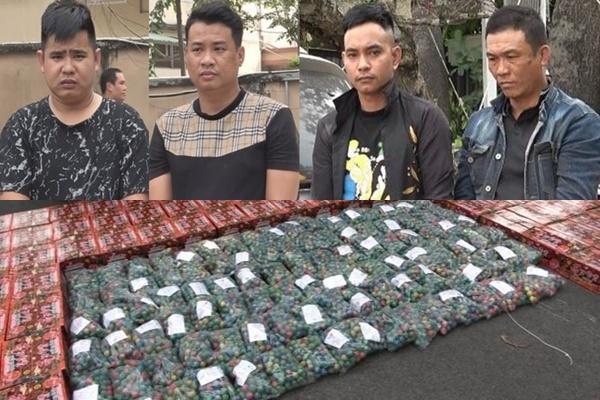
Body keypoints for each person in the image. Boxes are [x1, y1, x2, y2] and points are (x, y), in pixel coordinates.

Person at [149, 1, 299, 200]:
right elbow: (160, 211)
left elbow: (280, 209)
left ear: (240, 55)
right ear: (186, 56)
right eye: (197, 49)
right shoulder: (167, 127)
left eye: (218, 49)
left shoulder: (272, 118)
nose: (207, 60)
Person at [0, 0, 148, 200]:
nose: (68, 68)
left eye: (78, 56)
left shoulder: (128, 124)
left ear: (96, 59)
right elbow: (14, 209)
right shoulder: (21, 127)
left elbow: (136, 206)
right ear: (42, 61)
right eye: (57, 56)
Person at [455, 5, 600, 200]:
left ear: (543, 56)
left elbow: (570, 209)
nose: (501, 70)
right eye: (493, 59)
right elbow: (464, 203)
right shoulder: (478, 125)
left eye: (511, 57)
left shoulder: (577, 123)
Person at [311, 2, 453, 200]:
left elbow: (440, 205)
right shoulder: (330, 127)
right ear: (344, 60)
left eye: (374, 52)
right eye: (353, 55)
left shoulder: (426, 120)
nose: (363, 65)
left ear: (395, 57)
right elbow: (321, 208)